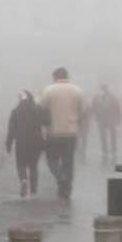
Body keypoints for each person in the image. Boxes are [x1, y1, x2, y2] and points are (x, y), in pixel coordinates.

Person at [39, 67, 85, 200]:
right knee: (68, 162)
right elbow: (83, 111)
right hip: (71, 133)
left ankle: (60, 177)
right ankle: (66, 190)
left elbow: (42, 108)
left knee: (51, 160)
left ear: (54, 77)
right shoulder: (77, 90)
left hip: (53, 133)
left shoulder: (49, 90)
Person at [6, 90, 47, 198]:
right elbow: (47, 121)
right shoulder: (38, 109)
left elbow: (11, 130)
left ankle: (23, 180)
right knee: (33, 166)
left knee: (21, 164)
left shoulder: (16, 111)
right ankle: (33, 190)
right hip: (36, 141)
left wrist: (8, 144)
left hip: (21, 142)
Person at [92, 84, 122, 164]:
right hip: (102, 119)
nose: (103, 90)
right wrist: (96, 115)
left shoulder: (112, 97)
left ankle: (113, 150)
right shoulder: (97, 98)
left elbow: (117, 108)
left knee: (112, 136)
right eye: (102, 89)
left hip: (111, 119)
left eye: (104, 89)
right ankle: (105, 150)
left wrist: (119, 118)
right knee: (103, 136)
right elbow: (93, 107)